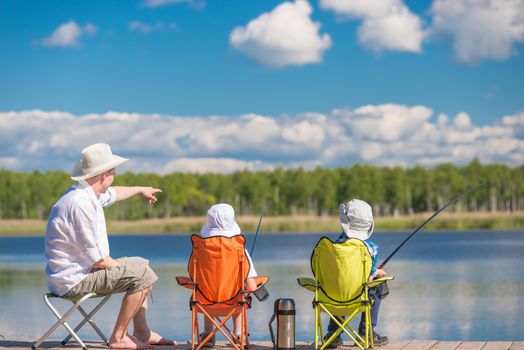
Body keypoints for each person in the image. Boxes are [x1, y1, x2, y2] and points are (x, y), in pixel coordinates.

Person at [45, 143, 175, 350]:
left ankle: (142, 332)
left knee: (141, 264)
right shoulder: (79, 204)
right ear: (103, 175)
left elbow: (115, 193)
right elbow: (97, 259)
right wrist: (131, 272)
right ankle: (119, 337)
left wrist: (141, 189)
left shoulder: (87, 194)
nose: (115, 174)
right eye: (113, 171)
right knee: (142, 274)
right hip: (74, 281)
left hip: (82, 272)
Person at [324, 199, 389, 348]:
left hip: (330, 298)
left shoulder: (332, 247)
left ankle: (333, 334)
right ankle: (366, 332)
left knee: (340, 285)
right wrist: (378, 272)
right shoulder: (370, 249)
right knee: (379, 282)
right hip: (359, 297)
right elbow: (370, 275)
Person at [197, 203, 258, 347]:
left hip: (204, 303)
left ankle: (207, 334)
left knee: (207, 289)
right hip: (234, 303)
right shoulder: (240, 251)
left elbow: (194, 279)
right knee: (240, 292)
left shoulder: (199, 252)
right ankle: (238, 334)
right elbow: (252, 287)